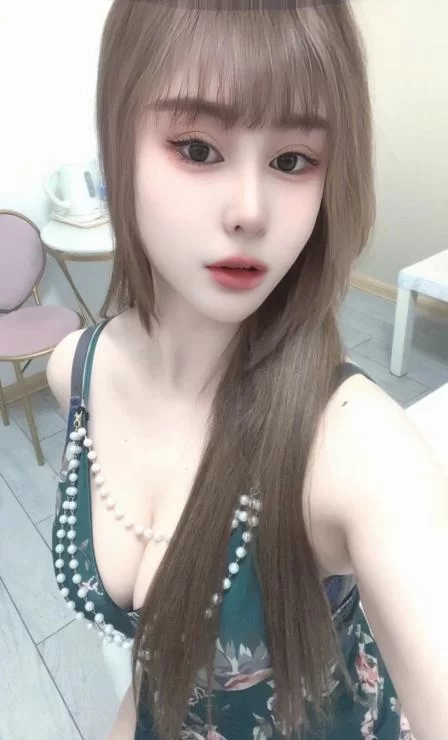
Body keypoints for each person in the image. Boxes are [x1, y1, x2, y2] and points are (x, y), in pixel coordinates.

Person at [46, 1, 448, 738]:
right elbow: (157, 658)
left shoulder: (355, 447)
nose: (250, 211)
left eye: (293, 161)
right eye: (198, 149)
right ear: (116, 139)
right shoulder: (77, 372)